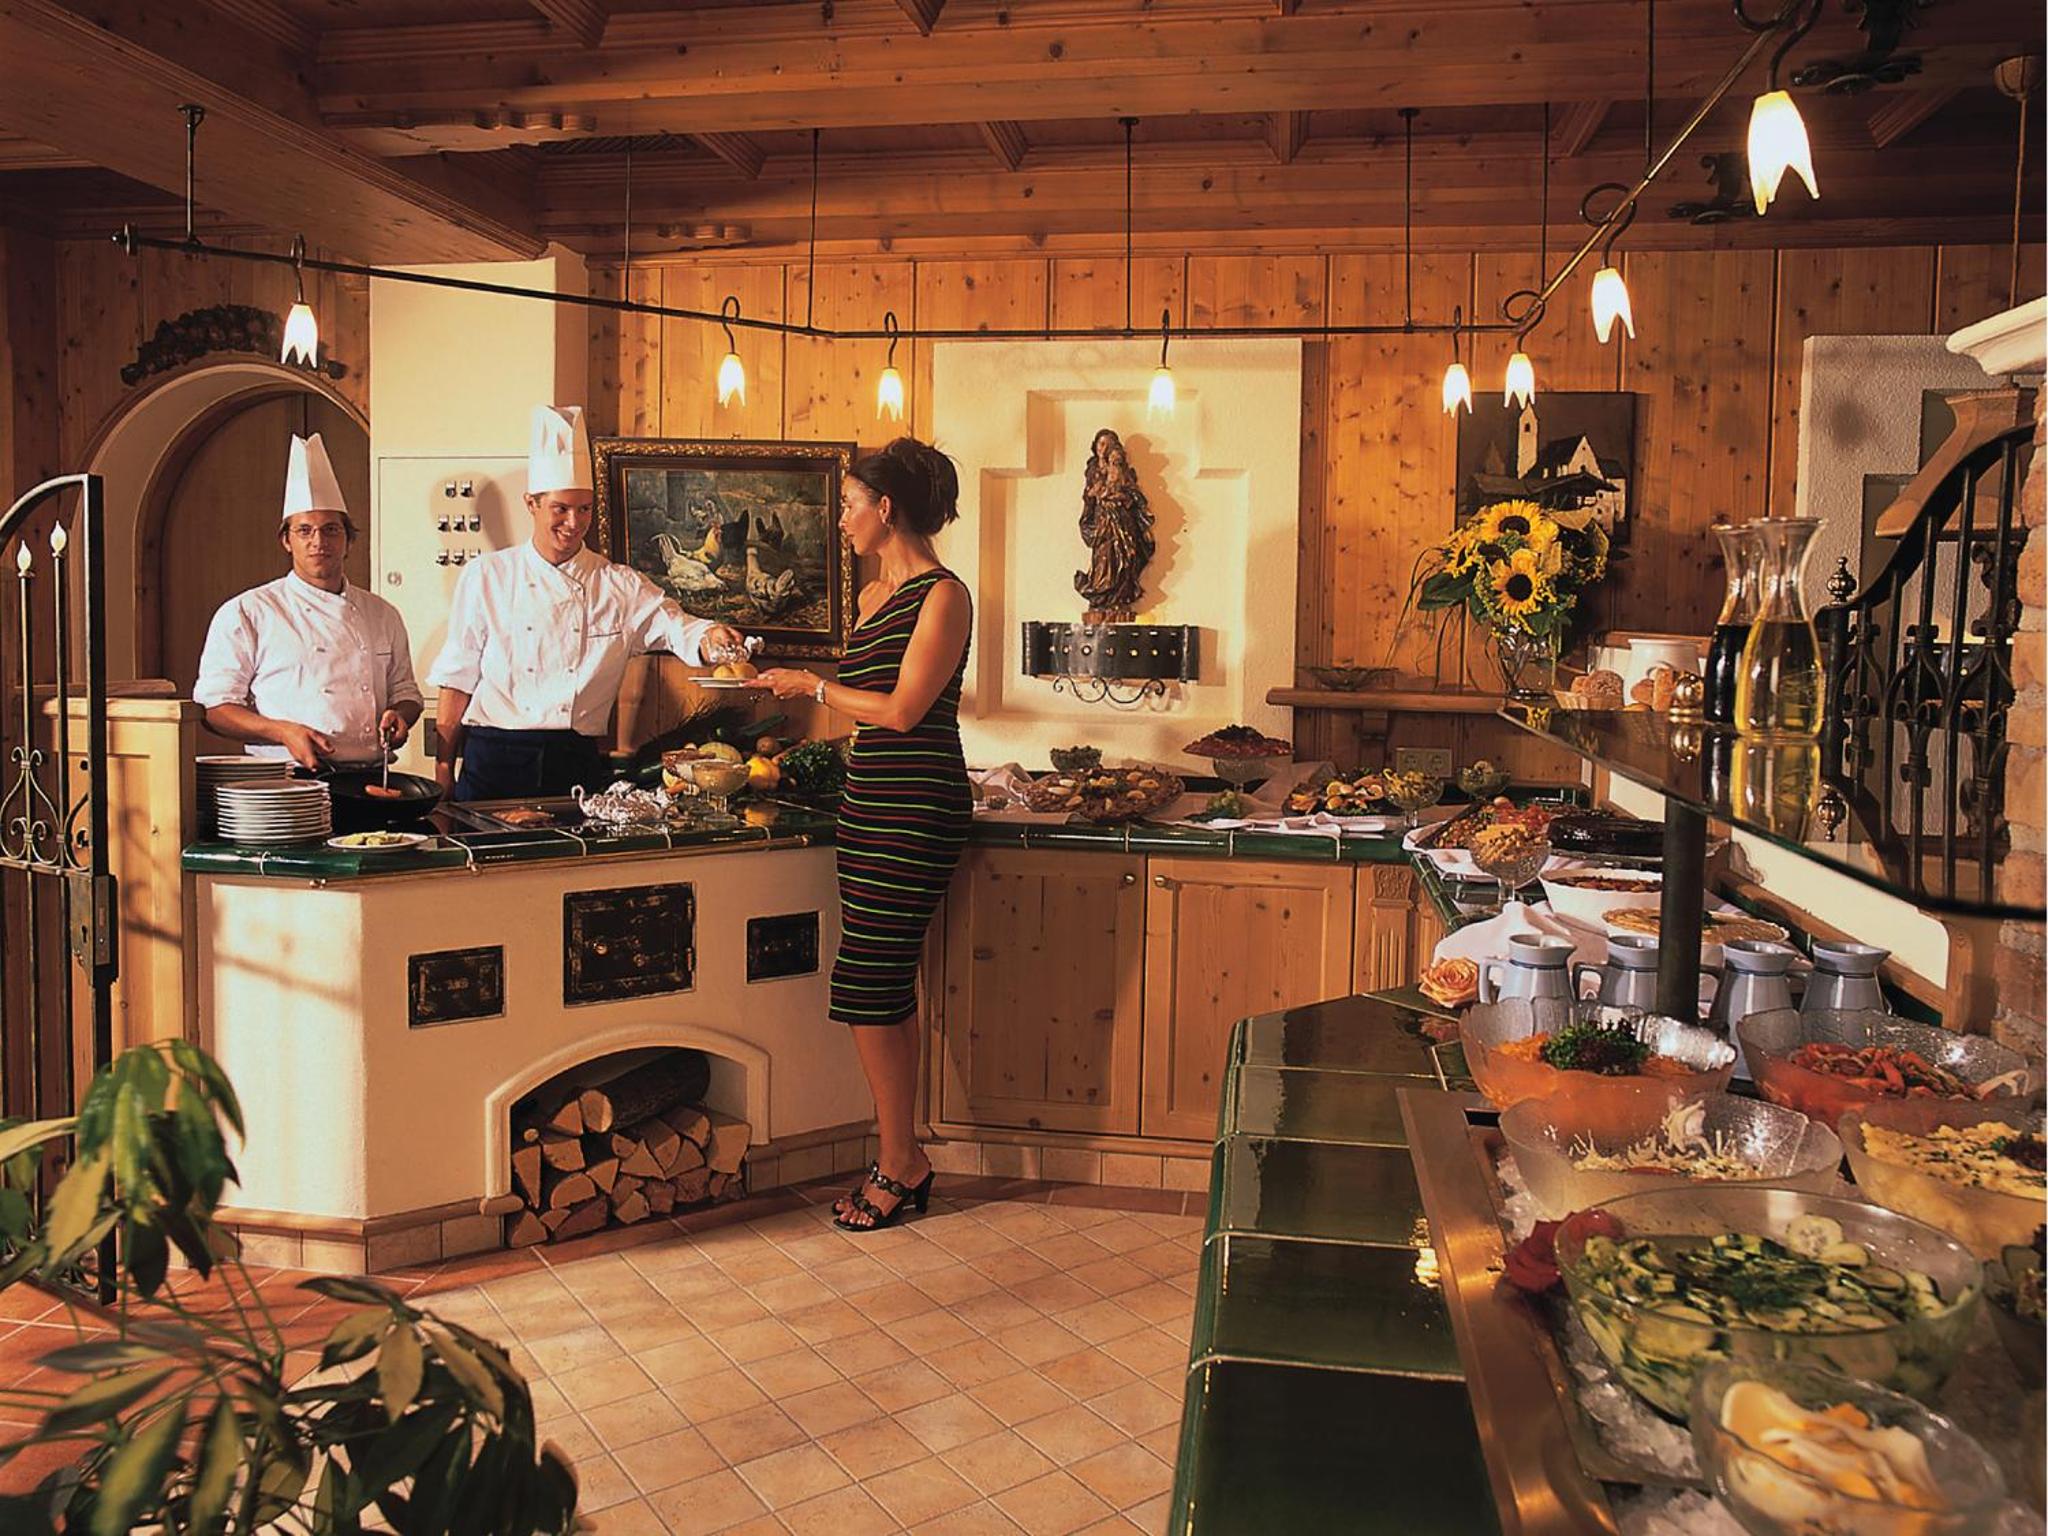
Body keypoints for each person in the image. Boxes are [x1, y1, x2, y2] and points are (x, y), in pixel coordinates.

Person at [754, 437, 972, 1232]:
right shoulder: (876, 595)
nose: (842, 518)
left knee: (867, 985)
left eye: (849, 504)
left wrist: (813, 686)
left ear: (886, 507)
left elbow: (904, 711)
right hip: (870, 798)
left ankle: (901, 1161)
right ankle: (902, 1155)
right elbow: (865, 706)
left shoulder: (944, 596)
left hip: (917, 804)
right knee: (882, 985)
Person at [427, 405, 745, 801]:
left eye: (584, 509)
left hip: (573, 759)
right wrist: (443, 768)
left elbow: (676, 626)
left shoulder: (619, 585)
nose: (574, 522)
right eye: (560, 509)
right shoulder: (488, 576)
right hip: (493, 757)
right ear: (531, 504)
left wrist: (710, 635)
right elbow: (457, 676)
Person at [194, 433, 421, 769]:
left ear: (348, 540)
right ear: (286, 541)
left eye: (331, 530)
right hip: (286, 777)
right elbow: (215, 708)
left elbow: (406, 692)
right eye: (304, 531)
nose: (318, 541)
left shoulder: (382, 613)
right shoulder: (248, 612)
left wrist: (400, 714)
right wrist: (282, 731)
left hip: (370, 776)